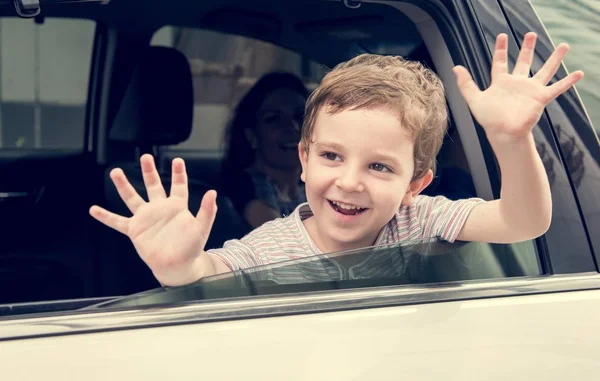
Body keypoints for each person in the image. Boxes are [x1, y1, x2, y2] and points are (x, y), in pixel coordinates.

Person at [90, 32, 583, 287]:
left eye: (380, 166)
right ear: (302, 159)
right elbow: (209, 272)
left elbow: (523, 222)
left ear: (416, 183)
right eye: (331, 156)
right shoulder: (273, 244)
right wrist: (179, 266)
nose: (349, 182)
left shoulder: (423, 217)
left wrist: (512, 140)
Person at [220, 72, 309, 229]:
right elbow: (283, 245)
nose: (292, 127)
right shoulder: (245, 188)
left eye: (300, 116)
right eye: (274, 119)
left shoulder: (308, 188)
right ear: (252, 136)